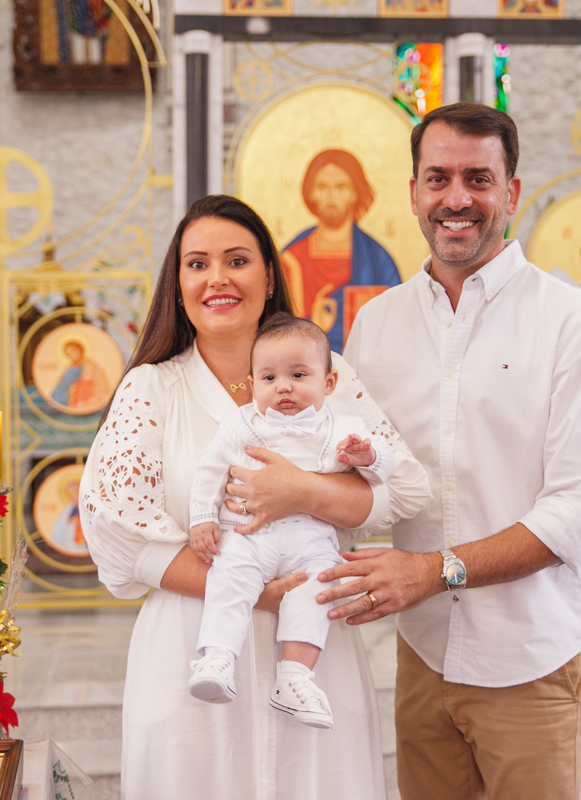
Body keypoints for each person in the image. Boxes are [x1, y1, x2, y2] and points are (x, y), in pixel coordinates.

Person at [80, 195, 430, 800]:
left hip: (315, 639)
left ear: (269, 275)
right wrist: (258, 594)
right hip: (195, 640)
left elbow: (403, 486)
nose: (216, 278)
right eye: (197, 264)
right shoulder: (152, 387)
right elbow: (119, 532)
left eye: (236, 260)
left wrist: (306, 491)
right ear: (178, 283)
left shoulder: (328, 373)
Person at [319, 103, 581, 800]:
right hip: (423, 655)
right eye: (438, 178)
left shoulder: (570, 322)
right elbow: (350, 482)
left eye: (479, 179)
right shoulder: (377, 322)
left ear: (511, 193)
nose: (457, 199)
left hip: (532, 656)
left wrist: (434, 571)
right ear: (415, 192)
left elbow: (578, 517)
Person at [186, 313, 395, 730]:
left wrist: (367, 457)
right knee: (228, 580)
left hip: (311, 538)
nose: (283, 386)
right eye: (269, 378)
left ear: (328, 383)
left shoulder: (345, 427)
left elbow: (383, 469)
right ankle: (217, 658)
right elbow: (210, 471)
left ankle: (295, 678)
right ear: (252, 384)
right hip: (248, 534)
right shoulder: (241, 424)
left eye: (298, 375)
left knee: (317, 591)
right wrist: (203, 518)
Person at [282, 149, 401, 352]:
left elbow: (396, 324)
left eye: (341, 187)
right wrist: (315, 326)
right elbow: (274, 330)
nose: (331, 196)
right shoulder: (291, 259)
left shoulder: (378, 260)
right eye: (322, 187)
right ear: (310, 192)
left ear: (356, 193)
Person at [50, 336, 111, 411]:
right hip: (72, 408)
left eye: (73, 351)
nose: (72, 355)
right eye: (68, 354)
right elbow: (56, 395)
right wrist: (70, 396)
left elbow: (104, 393)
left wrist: (86, 403)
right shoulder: (70, 371)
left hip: (90, 408)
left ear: (81, 350)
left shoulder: (94, 370)